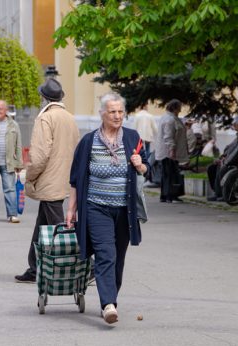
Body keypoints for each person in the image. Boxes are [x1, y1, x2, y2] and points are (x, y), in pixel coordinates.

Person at [66, 92, 149, 325]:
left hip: (125, 210)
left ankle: (112, 298)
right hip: (96, 207)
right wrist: (71, 209)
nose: (117, 116)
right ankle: (108, 304)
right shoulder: (88, 142)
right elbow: (76, 179)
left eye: (121, 111)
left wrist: (140, 165)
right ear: (102, 114)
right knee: (106, 254)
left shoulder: (132, 138)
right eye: (112, 111)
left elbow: (146, 168)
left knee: (118, 258)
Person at [15, 78, 80, 283]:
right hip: (65, 177)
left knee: (60, 228)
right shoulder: (69, 117)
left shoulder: (45, 119)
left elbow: (39, 155)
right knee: (43, 224)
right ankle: (34, 267)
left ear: (44, 98)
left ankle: (79, 264)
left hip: (50, 179)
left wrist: (30, 176)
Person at [206, 115, 238, 201]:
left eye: (236, 124)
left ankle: (228, 195)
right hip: (236, 159)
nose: (234, 126)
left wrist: (226, 161)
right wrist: (222, 157)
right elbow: (230, 147)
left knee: (223, 168)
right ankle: (218, 193)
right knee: (212, 168)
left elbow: (237, 151)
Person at [155, 99, 188, 203]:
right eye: (179, 107)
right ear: (174, 108)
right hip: (169, 152)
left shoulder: (168, 118)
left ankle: (164, 196)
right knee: (171, 174)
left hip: (167, 151)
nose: (180, 109)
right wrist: (172, 150)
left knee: (167, 174)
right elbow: (168, 136)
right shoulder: (170, 120)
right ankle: (171, 196)